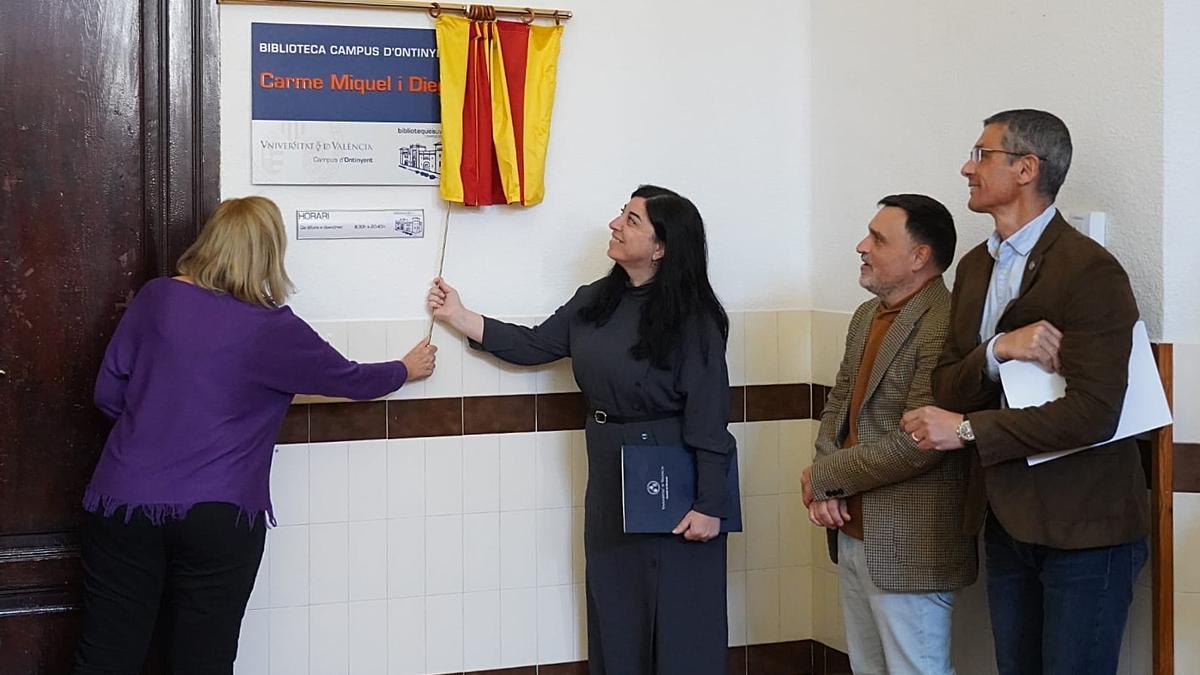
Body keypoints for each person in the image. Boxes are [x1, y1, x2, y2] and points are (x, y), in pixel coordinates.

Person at [72, 196, 437, 674]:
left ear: (210, 241)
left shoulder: (156, 299)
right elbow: (349, 379)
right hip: (219, 517)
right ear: (270, 254)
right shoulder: (273, 330)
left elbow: (107, 394)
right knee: (202, 660)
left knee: (105, 656)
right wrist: (404, 369)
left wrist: (157, 423)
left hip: (122, 505)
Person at [427, 185, 737, 675]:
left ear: (661, 247)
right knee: (615, 607)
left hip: (674, 479)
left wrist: (710, 506)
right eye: (621, 213)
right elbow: (534, 346)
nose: (615, 224)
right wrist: (460, 316)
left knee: (681, 619)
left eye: (632, 220)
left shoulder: (693, 318)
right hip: (610, 471)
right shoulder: (597, 299)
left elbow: (709, 416)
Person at [901, 109, 1148, 675]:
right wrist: (996, 350)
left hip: (1087, 528)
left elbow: (1093, 414)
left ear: (1026, 168)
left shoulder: (1089, 270)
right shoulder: (972, 268)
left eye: (982, 154)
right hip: (1007, 520)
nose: (967, 167)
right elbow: (946, 384)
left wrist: (965, 431)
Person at [803, 194, 974, 675]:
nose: (862, 246)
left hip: (912, 542)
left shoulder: (946, 322)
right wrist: (825, 483)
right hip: (854, 529)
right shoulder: (865, 316)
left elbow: (919, 444)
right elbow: (838, 405)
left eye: (878, 239)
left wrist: (826, 477)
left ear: (920, 256)